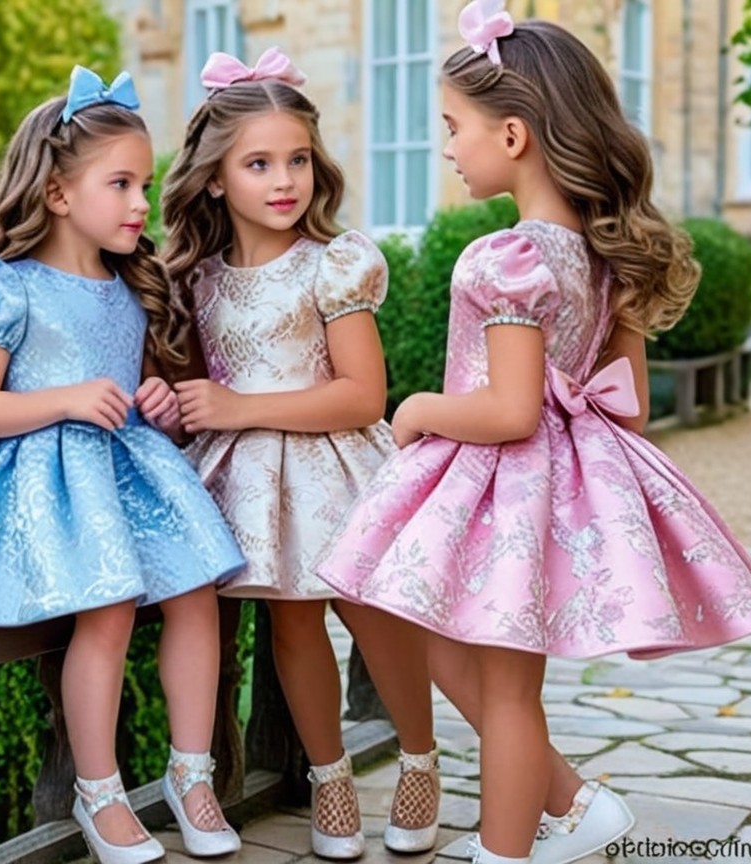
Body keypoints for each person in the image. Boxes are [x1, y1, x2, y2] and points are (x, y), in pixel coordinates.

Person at [315, 3, 751, 864]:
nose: (448, 148)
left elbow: (509, 411)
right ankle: (569, 803)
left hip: (504, 488)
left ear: (514, 135)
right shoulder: (605, 256)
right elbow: (627, 407)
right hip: (548, 487)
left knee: (502, 689)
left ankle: (506, 850)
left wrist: (417, 409)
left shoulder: (506, 259)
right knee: (457, 649)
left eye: (454, 127)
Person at [0, 66, 246, 864]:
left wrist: (157, 401)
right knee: (110, 607)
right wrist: (65, 399)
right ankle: (100, 791)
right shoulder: (8, 288)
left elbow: (131, 390)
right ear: (58, 193)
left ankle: (191, 775)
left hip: (127, 474)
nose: (140, 203)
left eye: (145, 184)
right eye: (120, 184)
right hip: (51, 484)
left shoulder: (133, 284)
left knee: (197, 593)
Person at [160, 48, 440, 860]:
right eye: (259, 164)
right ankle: (330, 777)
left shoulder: (334, 266)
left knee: (372, 616)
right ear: (216, 179)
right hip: (252, 481)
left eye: (298, 160)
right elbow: (184, 385)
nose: (285, 181)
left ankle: (421, 761)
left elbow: (363, 395)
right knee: (291, 624)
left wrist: (239, 407)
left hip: (338, 466)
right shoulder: (194, 280)